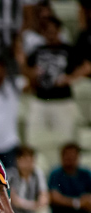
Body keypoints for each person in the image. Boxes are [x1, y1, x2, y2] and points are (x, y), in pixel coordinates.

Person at [25, 17, 91, 151]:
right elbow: (26, 69)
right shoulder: (38, 50)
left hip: (62, 100)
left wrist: (70, 78)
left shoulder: (68, 50)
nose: (50, 35)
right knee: (33, 140)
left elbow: (87, 67)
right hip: (41, 99)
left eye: (53, 32)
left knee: (66, 141)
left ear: (59, 31)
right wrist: (33, 73)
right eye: (47, 32)